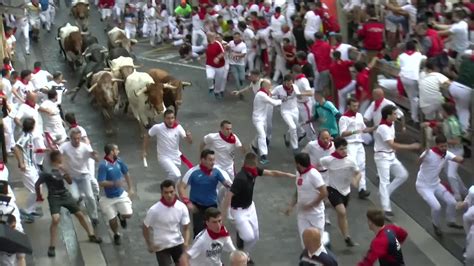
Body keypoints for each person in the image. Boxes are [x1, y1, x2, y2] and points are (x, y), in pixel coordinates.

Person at [222, 152, 295, 260]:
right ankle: (241, 245)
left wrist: (288, 175)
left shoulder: (254, 171)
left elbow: (272, 173)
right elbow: (229, 196)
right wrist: (225, 215)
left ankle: (244, 254)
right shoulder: (240, 178)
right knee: (248, 236)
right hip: (238, 211)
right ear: (253, 163)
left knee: (255, 237)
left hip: (250, 207)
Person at [35, 151, 102, 257]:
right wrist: (39, 195)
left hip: (65, 194)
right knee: (55, 219)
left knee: (79, 214)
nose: (62, 159)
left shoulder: (62, 170)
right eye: (61, 157)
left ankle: (91, 234)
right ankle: (52, 246)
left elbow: (70, 182)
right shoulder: (47, 172)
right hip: (54, 197)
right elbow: (37, 183)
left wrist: (65, 173)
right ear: (57, 159)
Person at [374, 105, 420, 219]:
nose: (396, 116)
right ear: (388, 116)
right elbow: (392, 144)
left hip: (391, 155)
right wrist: (411, 146)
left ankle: (385, 193)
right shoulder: (383, 127)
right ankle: (386, 209)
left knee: (403, 175)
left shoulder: (392, 124)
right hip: (382, 156)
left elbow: (394, 141)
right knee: (384, 181)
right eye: (394, 114)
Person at [416, 135, 464, 236]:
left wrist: (460, 158)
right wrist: (424, 156)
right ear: (437, 145)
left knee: (452, 202)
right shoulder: (429, 153)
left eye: (445, 146)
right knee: (437, 207)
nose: (444, 148)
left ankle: (451, 221)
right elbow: (418, 162)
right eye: (442, 146)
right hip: (423, 186)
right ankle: (436, 225)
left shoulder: (446, 154)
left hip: (436, 184)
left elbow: (456, 158)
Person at [178, 149, 232, 237]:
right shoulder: (193, 172)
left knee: (213, 230)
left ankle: (212, 249)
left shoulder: (216, 171)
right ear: (203, 160)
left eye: (214, 160)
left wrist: (228, 185)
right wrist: (187, 202)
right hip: (197, 207)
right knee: (199, 232)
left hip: (212, 206)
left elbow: (225, 182)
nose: (213, 162)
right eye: (210, 160)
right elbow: (181, 187)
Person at [320, 137, 361, 247]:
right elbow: (319, 165)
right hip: (333, 189)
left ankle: (345, 237)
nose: (344, 151)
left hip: (346, 191)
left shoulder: (351, 160)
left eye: (345, 148)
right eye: (341, 149)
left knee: (341, 215)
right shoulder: (328, 160)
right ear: (336, 149)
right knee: (342, 212)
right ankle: (348, 237)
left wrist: (356, 181)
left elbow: (358, 172)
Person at [142, 179, 191, 265]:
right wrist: (149, 244)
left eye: (171, 192)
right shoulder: (154, 210)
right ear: (162, 193)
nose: (169, 195)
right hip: (161, 246)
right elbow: (145, 227)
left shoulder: (181, 207)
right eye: (166, 192)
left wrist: (186, 243)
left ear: (175, 191)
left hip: (177, 243)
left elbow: (186, 227)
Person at [285, 153, 328, 247]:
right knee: (304, 240)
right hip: (302, 213)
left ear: (298, 164)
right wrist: (291, 206)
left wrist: (311, 205)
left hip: (316, 214)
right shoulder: (298, 173)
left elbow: (324, 192)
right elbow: (298, 190)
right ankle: (307, 260)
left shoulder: (314, 174)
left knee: (317, 242)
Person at [59, 128, 99, 226]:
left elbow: (95, 158)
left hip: (84, 175)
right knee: (75, 196)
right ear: (70, 138)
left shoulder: (85, 147)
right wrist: (62, 170)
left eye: (78, 138)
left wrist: (95, 155)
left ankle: (94, 216)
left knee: (90, 196)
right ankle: (79, 199)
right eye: (74, 139)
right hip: (72, 177)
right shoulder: (65, 146)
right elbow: (58, 155)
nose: (77, 141)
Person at [97, 143, 134, 245]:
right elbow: (101, 182)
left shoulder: (119, 161)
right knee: (112, 220)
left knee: (128, 214)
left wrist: (131, 188)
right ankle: (116, 234)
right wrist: (114, 183)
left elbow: (126, 173)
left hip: (120, 194)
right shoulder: (103, 166)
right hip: (108, 197)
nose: (118, 151)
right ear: (111, 152)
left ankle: (121, 216)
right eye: (116, 150)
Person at [338, 98, 374, 199]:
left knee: (362, 165)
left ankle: (362, 189)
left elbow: (363, 129)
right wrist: (354, 132)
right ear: (348, 106)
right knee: (352, 166)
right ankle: (341, 188)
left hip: (359, 143)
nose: (356, 108)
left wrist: (373, 128)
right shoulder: (344, 118)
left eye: (357, 106)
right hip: (349, 144)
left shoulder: (359, 115)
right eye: (354, 106)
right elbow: (342, 133)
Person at [146, 109, 192, 182]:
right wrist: (144, 151)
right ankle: (165, 186)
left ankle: (169, 189)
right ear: (164, 119)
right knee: (176, 174)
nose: (170, 120)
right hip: (164, 157)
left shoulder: (178, 127)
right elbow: (147, 136)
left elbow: (189, 141)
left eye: (172, 118)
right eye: (168, 118)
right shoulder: (158, 127)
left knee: (175, 178)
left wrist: (189, 137)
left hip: (176, 157)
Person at [272, 74, 310, 154]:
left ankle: (287, 136)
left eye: (291, 83)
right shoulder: (278, 88)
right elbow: (270, 95)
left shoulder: (295, 87)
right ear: (284, 82)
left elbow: (299, 97)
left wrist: (299, 95)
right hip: (285, 111)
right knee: (293, 127)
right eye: (288, 83)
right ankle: (295, 148)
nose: (289, 85)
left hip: (294, 110)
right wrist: (280, 97)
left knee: (295, 126)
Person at [13, 118, 41, 223]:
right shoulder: (24, 136)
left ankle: (31, 209)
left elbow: (28, 150)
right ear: (32, 126)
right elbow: (15, 148)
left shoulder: (29, 136)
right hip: (27, 168)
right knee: (35, 189)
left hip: (32, 166)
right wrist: (21, 162)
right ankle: (27, 211)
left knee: (38, 188)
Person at [251, 79, 281, 164]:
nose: (271, 87)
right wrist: (283, 100)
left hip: (262, 119)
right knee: (262, 135)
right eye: (269, 86)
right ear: (265, 86)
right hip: (257, 119)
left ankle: (253, 145)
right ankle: (263, 156)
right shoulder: (261, 95)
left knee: (260, 134)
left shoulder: (264, 93)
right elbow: (274, 103)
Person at [396, 41, 426, 123]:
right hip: (414, 78)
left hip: (404, 78)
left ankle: (414, 116)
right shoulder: (419, 55)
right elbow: (425, 59)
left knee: (412, 98)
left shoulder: (401, 56)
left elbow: (399, 66)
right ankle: (416, 117)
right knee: (416, 98)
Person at [205, 32, 227, 99]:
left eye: (210, 36)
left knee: (218, 81)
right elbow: (206, 53)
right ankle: (211, 87)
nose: (209, 37)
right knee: (209, 77)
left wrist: (218, 58)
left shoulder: (218, 43)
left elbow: (223, 52)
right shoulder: (207, 44)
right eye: (208, 36)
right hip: (209, 65)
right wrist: (201, 57)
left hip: (219, 66)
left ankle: (216, 92)